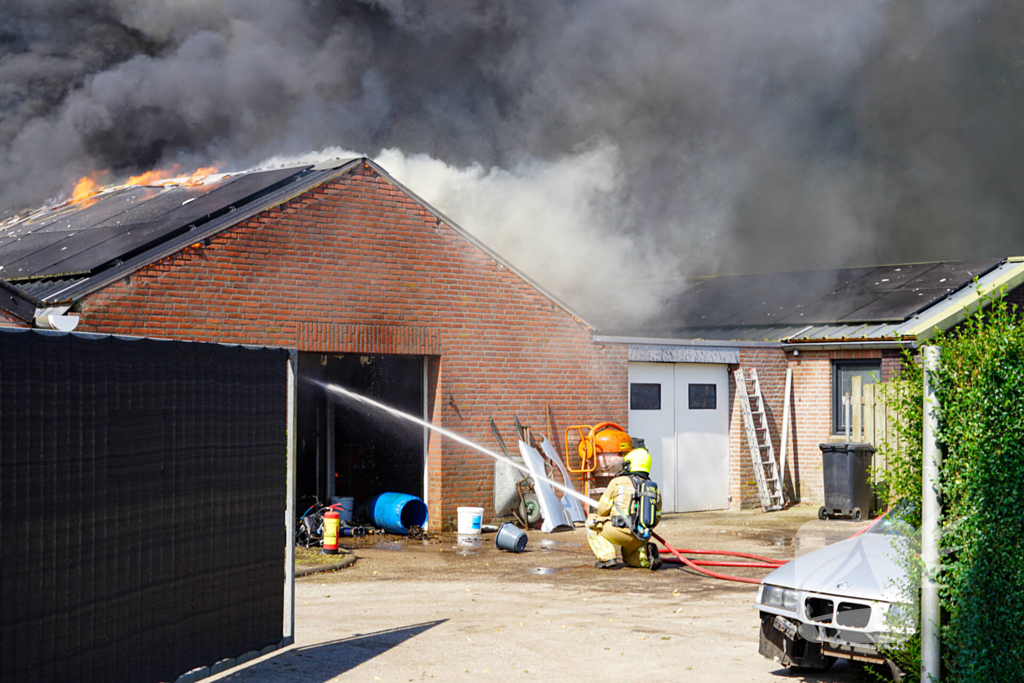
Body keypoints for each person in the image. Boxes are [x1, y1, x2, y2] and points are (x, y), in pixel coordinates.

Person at [586, 447, 663, 570]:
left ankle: (607, 558)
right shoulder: (653, 489)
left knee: (591, 522)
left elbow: (601, 510)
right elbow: (656, 517)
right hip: (641, 536)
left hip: (619, 531)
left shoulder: (617, 482)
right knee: (629, 557)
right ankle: (645, 556)